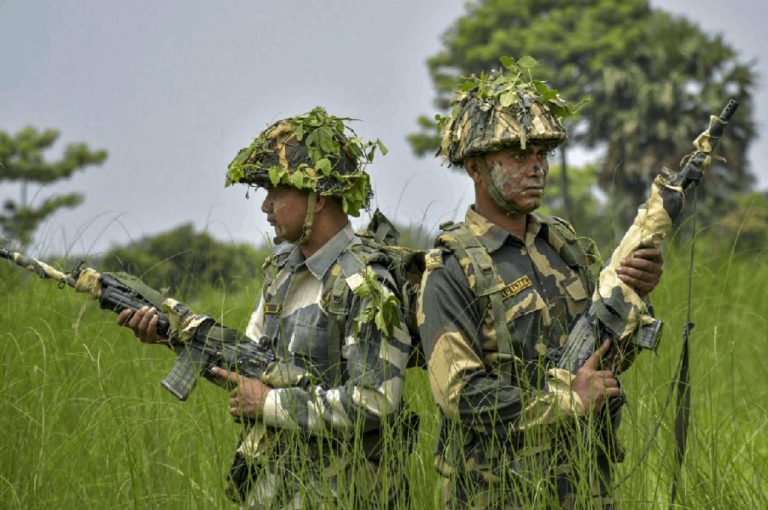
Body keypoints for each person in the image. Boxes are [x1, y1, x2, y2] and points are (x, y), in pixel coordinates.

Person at [117, 107, 413, 508]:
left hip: (344, 494)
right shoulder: (282, 273)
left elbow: (376, 399)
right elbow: (248, 367)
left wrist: (270, 404)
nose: (265, 206)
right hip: (273, 487)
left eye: (277, 192)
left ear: (318, 196)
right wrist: (175, 336)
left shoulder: (366, 282)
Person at [417, 63, 663, 508]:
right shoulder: (452, 268)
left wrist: (635, 295)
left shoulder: (562, 244)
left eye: (541, 155)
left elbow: (605, 358)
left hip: (584, 481)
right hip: (496, 491)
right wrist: (568, 400)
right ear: (475, 167)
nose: (536, 168)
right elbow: (460, 395)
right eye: (517, 156)